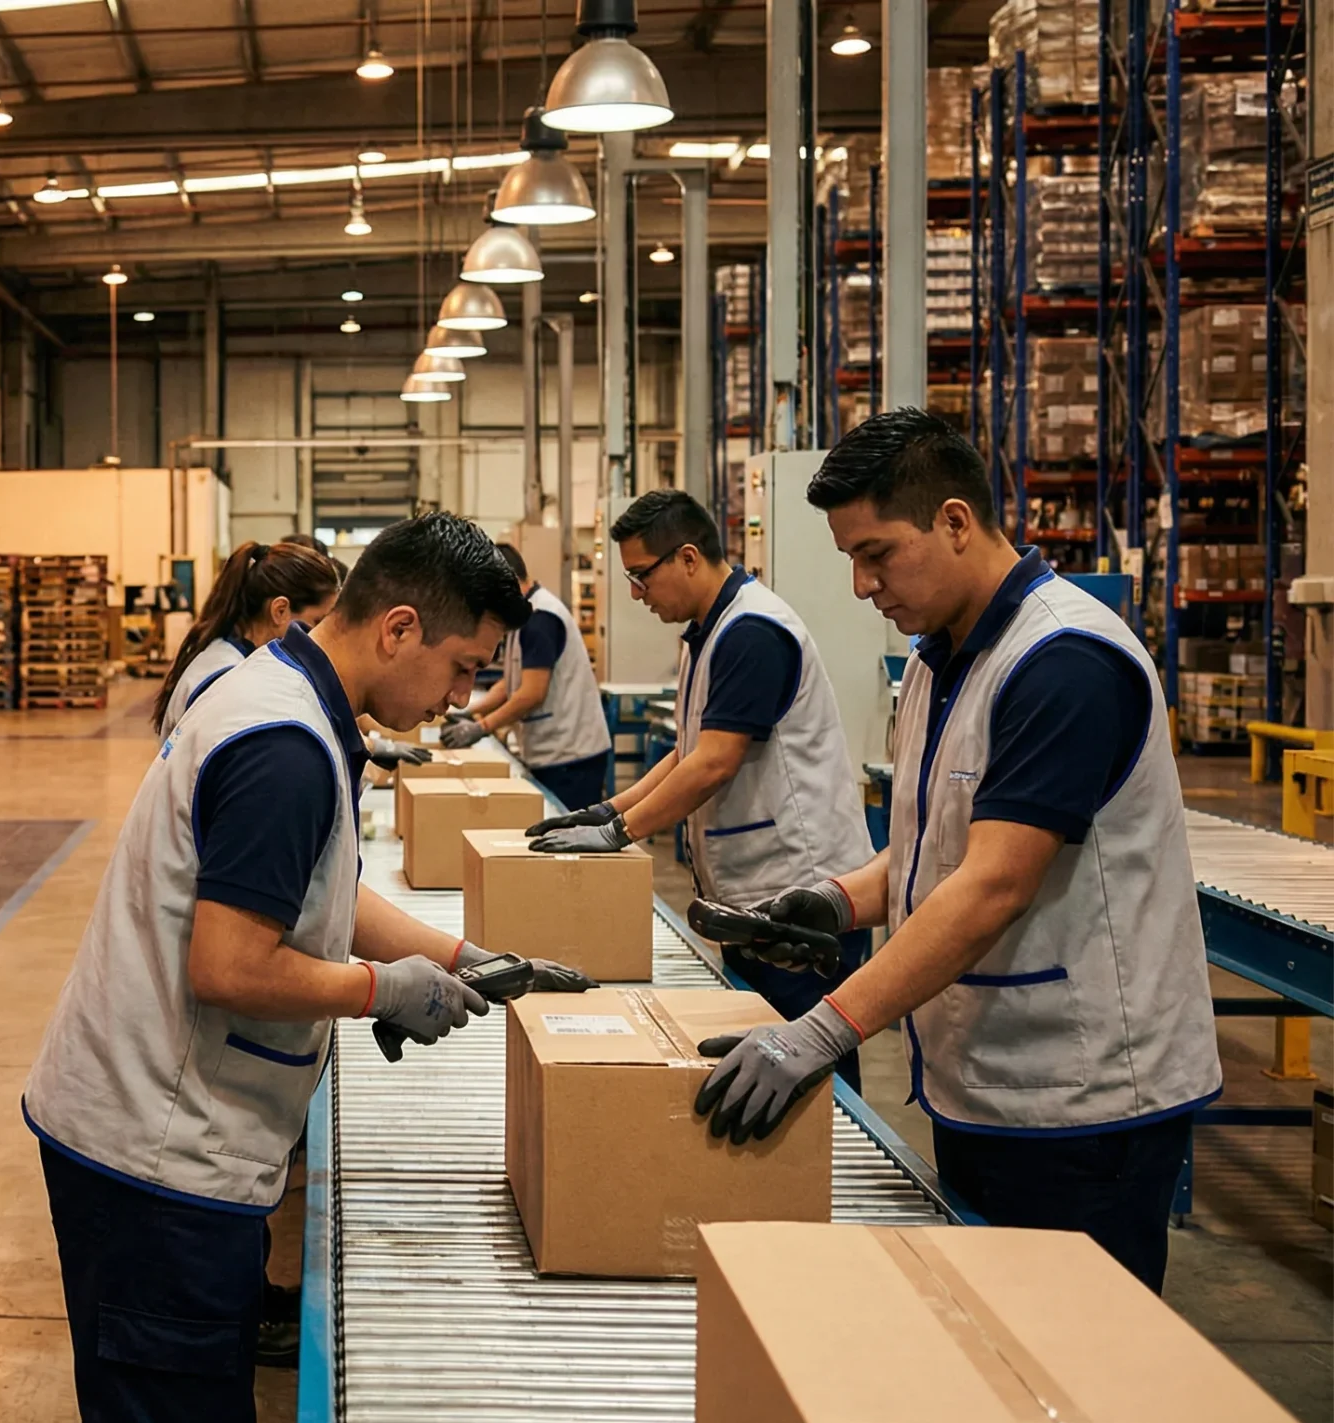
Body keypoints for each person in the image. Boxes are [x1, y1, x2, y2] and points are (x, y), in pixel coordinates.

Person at [25, 513, 589, 1423]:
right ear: (398, 627)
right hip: (157, 1162)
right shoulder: (282, 743)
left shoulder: (290, 696)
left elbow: (318, 893)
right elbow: (229, 963)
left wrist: (457, 957)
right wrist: (382, 989)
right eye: (460, 668)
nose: (459, 699)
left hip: (165, 1135)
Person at [690, 409, 1221, 1293]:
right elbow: (939, 844)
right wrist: (836, 899)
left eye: (877, 554)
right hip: (989, 1080)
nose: (862, 585)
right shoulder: (942, 659)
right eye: (849, 560)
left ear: (954, 521)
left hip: (1083, 1101)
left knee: (1075, 1364)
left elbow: (994, 883)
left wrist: (821, 1029)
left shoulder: (1065, 662)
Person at [528, 490, 877, 1085]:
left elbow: (713, 765)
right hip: (754, 896)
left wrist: (620, 831)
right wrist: (605, 809)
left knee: (817, 1087)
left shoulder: (752, 633)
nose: (636, 595)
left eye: (641, 576)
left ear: (688, 558)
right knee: (763, 1067)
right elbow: (686, 755)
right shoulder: (707, 632)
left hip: (798, 899)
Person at [442, 542, 614, 813]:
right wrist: (470, 714)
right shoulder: (524, 615)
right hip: (553, 751)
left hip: (570, 757)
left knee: (567, 836)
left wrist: (482, 727)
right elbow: (511, 684)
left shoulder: (540, 618)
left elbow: (532, 692)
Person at [153, 541, 341, 741]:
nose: (321, 636)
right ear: (280, 611)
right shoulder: (227, 680)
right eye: (317, 622)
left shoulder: (228, 655)